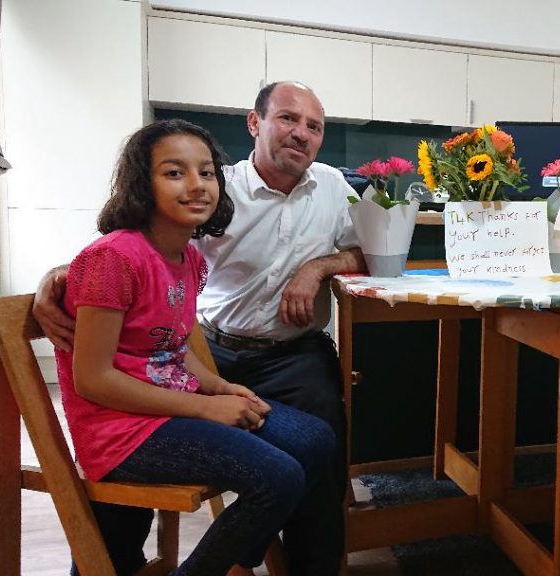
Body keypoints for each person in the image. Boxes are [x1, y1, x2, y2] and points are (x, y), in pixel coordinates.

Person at [34, 81, 365, 575]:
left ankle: (284, 563)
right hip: (164, 392)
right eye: (287, 119)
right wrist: (54, 278)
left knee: (317, 442)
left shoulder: (188, 254)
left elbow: (165, 337)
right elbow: (106, 274)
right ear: (255, 124)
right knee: (277, 475)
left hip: (248, 361)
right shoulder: (156, 234)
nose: (197, 184)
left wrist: (216, 389)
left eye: (314, 126)